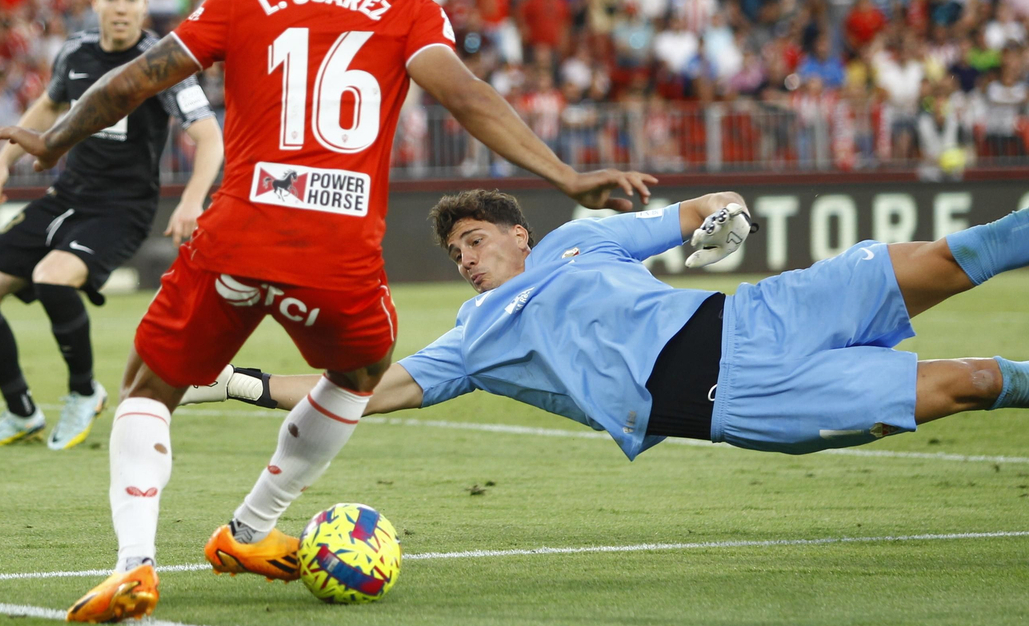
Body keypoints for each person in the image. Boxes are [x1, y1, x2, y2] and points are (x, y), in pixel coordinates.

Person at [0, 0, 657, 623]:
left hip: (236, 235)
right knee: (363, 369)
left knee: (150, 387)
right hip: (337, 251)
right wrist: (565, 176)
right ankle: (251, 527)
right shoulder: (407, 8)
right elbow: (464, 95)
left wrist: (50, 140)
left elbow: (134, 80)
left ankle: (135, 565)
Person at [186, 189, 1029, 470]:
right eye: (453, 253)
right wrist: (237, 381)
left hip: (759, 311)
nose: (466, 261)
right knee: (976, 381)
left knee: (962, 254)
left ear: (519, 234)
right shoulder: (476, 335)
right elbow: (367, 393)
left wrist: (726, 223)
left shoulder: (578, 238)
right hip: (743, 396)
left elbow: (700, 211)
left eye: (474, 242)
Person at [0, 0, 223, 453]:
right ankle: (21, 412)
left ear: (145, 6)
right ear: (95, 3)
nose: (120, 8)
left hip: (122, 206)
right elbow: (49, 105)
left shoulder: (161, 61)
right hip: (68, 194)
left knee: (52, 279)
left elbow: (209, 138)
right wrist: (3, 161)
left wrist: (192, 201)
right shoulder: (75, 52)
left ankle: (84, 392)